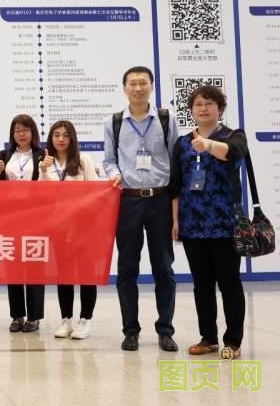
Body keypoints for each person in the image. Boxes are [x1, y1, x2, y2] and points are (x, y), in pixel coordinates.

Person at [102, 66, 179, 352]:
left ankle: (165, 330)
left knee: (164, 268)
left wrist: (176, 207)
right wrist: (114, 174)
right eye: (132, 84)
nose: (138, 88)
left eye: (143, 83)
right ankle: (130, 330)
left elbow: (176, 160)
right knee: (127, 268)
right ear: (124, 89)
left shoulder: (166, 119)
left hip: (160, 199)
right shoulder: (114, 122)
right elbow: (109, 160)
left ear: (151, 86)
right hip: (128, 201)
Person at [169, 85, 247, 358]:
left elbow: (232, 153)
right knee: (201, 284)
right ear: (191, 110)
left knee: (229, 282)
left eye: (209, 103)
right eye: (198, 104)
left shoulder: (233, 136)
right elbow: (176, 185)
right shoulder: (182, 143)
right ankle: (208, 338)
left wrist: (209, 145)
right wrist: (175, 220)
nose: (203, 108)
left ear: (219, 108)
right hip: (192, 224)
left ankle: (233, 341)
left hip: (224, 223)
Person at [38, 120, 99, 340]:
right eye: (56, 135)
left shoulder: (83, 160)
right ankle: (66, 320)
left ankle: (85, 319)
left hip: (83, 227)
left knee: (86, 273)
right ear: (51, 139)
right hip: (59, 227)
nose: (61, 139)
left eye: (65, 135)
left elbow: (96, 192)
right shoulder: (46, 162)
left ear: (72, 138)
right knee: (64, 274)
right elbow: (41, 196)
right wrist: (43, 171)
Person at [0, 114, 45, 333]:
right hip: (10, 218)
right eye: (17, 130)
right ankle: (17, 316)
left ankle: (34, 317)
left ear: (33, 133)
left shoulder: (42, 155)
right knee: (12, 268)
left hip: (36, 218)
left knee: (34, 266)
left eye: (25, 130)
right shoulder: (4, 155)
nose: (21, 134)